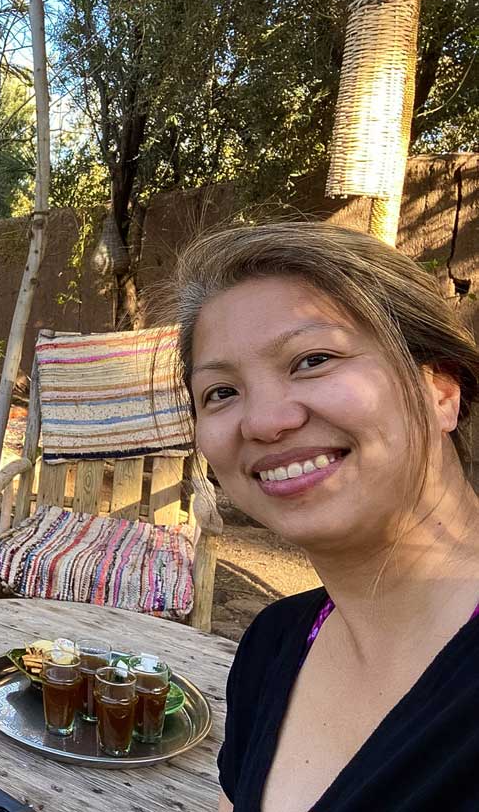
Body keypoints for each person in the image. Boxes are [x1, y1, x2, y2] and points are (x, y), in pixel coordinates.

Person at [157, 222, 479, 811]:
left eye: (312, 359)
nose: (264, 421)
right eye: (221, 392)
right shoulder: (273, 647)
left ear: (440, 390)